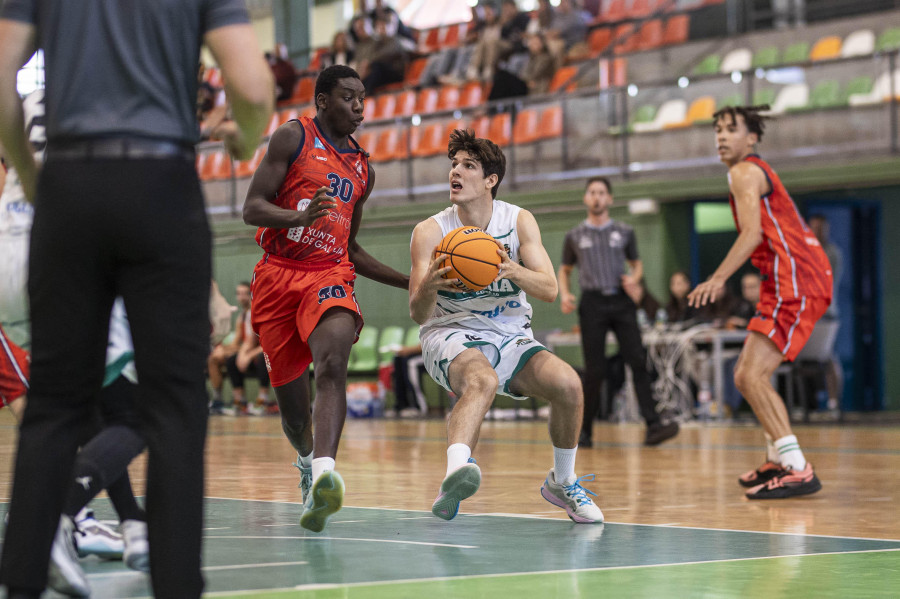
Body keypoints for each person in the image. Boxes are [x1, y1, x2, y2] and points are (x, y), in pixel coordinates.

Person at [0, 2, 274, 598]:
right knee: (174, 409)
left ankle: (22, 583)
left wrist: (30, 172)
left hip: (68, 187)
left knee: (53, 405)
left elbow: (1, 80)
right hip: (161, 184)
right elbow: (253, 89)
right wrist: (243, 139)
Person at [242, 64, 408, 534]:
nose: (358, 106)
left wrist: (409, 281)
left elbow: (350, 249)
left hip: (328, 274)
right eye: (348, 97)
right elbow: (251, 207)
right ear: (321, 101)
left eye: (362, 98)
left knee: (333, 362)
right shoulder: (292, 138)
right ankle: (306, 458)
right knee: (295, 419)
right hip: (277, 277)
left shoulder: (362, 170)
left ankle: (324, 477)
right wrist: (297, 217)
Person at [409, 128, 603, 524]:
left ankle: (562, 482)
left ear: (491, 180)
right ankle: (454, 476)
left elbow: (549, 288)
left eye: (468, 165)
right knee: (482, 380)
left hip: (511, 334)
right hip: (450, 331)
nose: (455, 172)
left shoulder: (518, 221)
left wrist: (510, 268)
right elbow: (417, 312)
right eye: (453, 165)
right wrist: (430, 282)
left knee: (569, 385)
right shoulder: (430, 231)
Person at [688, 105, 832, 499]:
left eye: (731, 130)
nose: (721, 137)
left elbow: (752, 234)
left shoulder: (744, 172)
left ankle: (797, 467)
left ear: (752, 138)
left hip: (797, 279)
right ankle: (780, 457)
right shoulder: (748, 172)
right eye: (717, 130)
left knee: (750, 376)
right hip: (784, 280)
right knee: (745, 375)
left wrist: (718, 278)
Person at [558, 177, 679, 448]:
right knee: (595, 369)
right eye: (592, 192)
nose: (597, 197)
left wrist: (633, 279)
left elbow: (636, 265)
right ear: (586, 198)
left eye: (602, 193)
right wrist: (565, 293)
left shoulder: (624, 231)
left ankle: (654, 426)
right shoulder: (574, 236)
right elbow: (564, 270)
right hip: (592, 303)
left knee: (637, 360)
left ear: (610, 199)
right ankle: (585, 432)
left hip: (622, 301)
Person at [807, 213, 843, 411]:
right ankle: (807, 403)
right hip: (806, 315)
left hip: (826, 316)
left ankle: (833, 403)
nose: (817, 231)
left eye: (821, 227)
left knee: (828, 358)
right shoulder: (804, 250)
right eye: (813, 227)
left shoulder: (832, 253)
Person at [208, 281, 250, 414]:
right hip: (243, 349)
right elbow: (237, 343)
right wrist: (223, 349)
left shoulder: (254, 313)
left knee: (230, 358)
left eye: (245, 293)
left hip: (256, 352)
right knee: (213, 358)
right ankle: (217, 400)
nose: (242, 297)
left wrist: (232, 350)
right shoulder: (241, 317)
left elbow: (251, 342)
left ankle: (247, 400)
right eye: (239, 294)